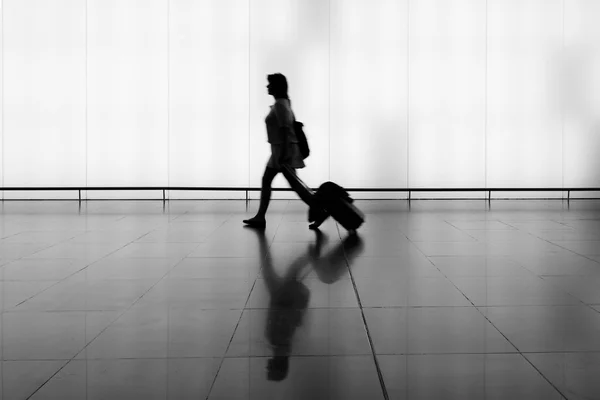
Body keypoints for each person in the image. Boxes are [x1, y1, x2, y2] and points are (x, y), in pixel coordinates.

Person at [243, 73, 305, 229]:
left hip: (282, 151)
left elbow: (285, 131)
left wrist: (283, 155)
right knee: (286, 183)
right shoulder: (283, 103)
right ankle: (260, 216)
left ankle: (319, 208)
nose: (267, 86)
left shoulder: (280, 105)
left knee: (292, 185)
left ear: (277, 86)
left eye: (270, 84)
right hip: (281, 150)